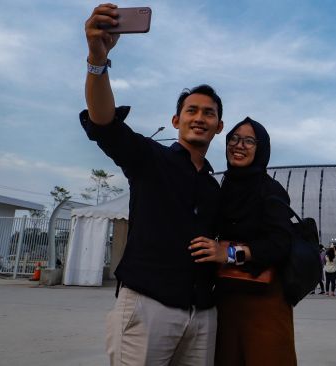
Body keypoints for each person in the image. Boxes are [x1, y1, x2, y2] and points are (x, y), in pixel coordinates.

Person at [82, 4, 222, 364]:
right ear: (176, 120)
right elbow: (105, 123)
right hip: (147, 307)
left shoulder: (214, 188)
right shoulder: (150, 159)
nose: (200, 118)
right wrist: (97, 60)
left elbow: (250, 242)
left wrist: (230, 252)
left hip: (203, 314)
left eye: (209, 113)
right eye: (192, 110)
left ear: (219, 126)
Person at [189, 117, 298, 364]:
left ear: (261, 149)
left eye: (249, 141)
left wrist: (228, 254)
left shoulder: (270, 190)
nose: (239, 145)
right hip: (226, 297)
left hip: (263, 297)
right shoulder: (223, 187)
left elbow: (280, 243)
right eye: (234, 139)